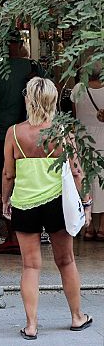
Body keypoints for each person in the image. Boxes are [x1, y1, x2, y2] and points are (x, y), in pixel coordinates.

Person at [2, 77, 93, 340]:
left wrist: (6, 200)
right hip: (57, 203)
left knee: (30, 266)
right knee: (66, 261)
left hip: (25, 203)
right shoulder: (62, 132)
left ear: (28, 99)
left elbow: (8, 173)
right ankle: (77, 317)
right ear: (52, 101)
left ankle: (31, 325)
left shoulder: (14, 133)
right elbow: (77, 172)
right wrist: (86, 203)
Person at [0, 35, 44, 254]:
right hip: (33, 136)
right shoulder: (34, 68)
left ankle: (13, 237)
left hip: (3, 137)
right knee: (30, 184)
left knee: (5, 185)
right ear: (21, 45)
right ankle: (29, 236)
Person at [71, 66, 104, 240]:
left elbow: (75, 115)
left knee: (85, 181)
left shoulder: (78, 89)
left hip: (83, 140)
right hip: (102, 140)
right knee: (102, 183)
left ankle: (88, 227)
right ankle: (102, 228)